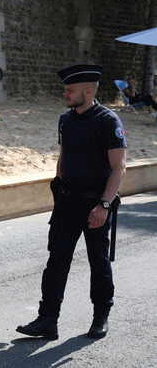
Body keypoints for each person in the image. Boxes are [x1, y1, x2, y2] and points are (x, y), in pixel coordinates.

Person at [16, 64, 127, 340]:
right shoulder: (65, 119)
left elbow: (119, 167)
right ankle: (47, 320)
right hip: (65, 203)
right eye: (65, 89)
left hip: (94, 205)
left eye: (70, 90)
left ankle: (101, 315)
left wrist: (103, 205)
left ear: (88, 91)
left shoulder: (108, 121)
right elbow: (63, 155)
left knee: (98, 262)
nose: (65, 94)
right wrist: (57, 186)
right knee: (56, 262)